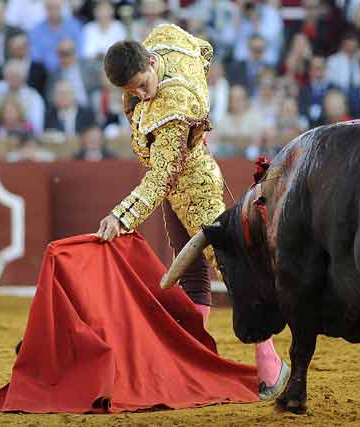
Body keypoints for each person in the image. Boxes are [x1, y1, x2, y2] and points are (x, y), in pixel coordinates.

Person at [96, 24, 289, 400]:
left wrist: (122, 216)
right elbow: (205, 48)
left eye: (141, 84)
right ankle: (195, 360)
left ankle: (269, 361)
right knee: (191, 269)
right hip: (177, 178)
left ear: (151, 63)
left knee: (231, 266)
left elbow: (161, 178)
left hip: (194, 183)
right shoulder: (165, 40)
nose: (139, 94)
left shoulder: (174, 108)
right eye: (130, 90)